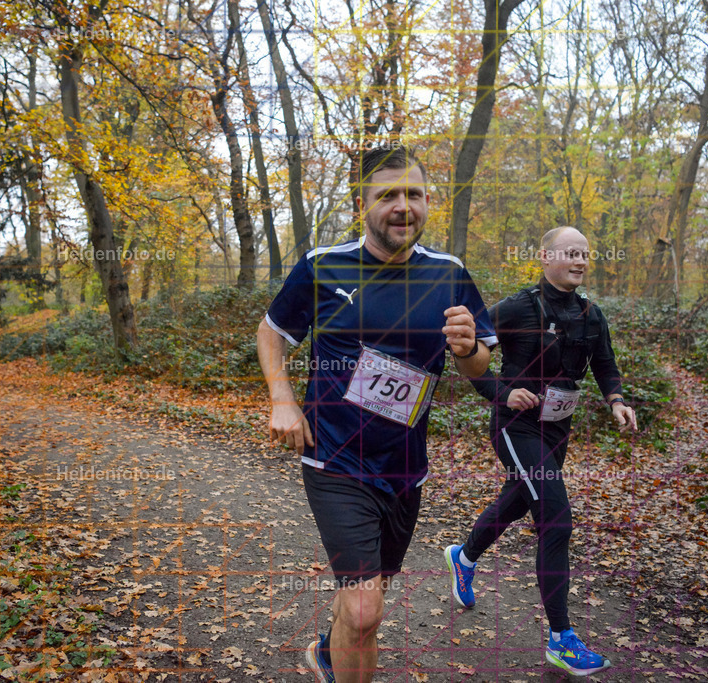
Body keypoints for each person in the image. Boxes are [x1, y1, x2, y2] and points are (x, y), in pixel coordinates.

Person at [256, 145, 497, 683]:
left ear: (428, 202)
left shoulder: (449, 274)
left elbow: (480, 370)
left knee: (361, 599)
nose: (402, 206)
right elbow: (271, 333)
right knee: (367, 610)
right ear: (362, 203)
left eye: (413, 194)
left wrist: (466, 350)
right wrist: (282, 398)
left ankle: (327, 652)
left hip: (404, 470)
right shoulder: (323, 267)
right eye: (387, 195)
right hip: (333, 460)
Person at [443, 226, 638, 677]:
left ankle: (464, 557)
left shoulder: (591, 314)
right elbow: (469, 356)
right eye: (570, 252)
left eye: (585, 254)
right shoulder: (515, 308)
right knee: (555, 518)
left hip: (556, 431)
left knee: (518, 501)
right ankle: (561, 640)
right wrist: (502, 393)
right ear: (545, 256)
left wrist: (617, 401)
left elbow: (606, 363)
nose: (580, 260)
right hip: (516, 427)